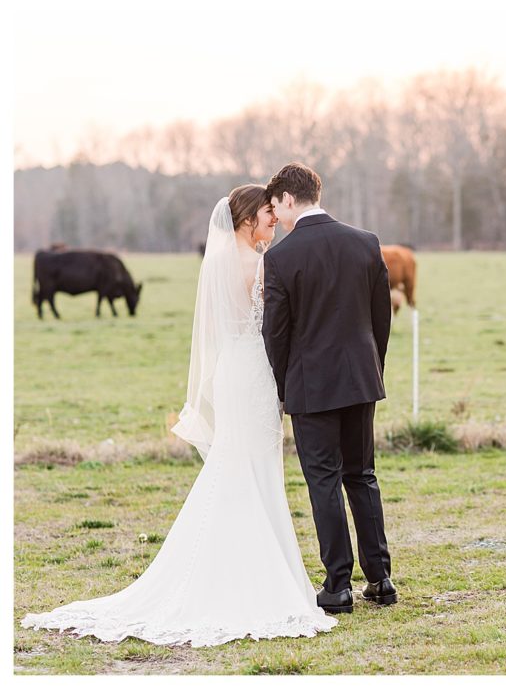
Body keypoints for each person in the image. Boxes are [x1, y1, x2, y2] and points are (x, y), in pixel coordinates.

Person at [21, 185, 338, 647]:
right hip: (254, 375)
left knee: (237, 465)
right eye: (269, 213)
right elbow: (277, 324)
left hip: (233, 370)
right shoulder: (261, 263)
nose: (274, 220)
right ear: (249, 218)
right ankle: (255, 576)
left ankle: (236, 564)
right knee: (253, 468)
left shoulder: (218, 262)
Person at [263, 162, 396, 613]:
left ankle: (338, 585)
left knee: (323, 482)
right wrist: (371, 366)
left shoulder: (281, 258)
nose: (275, 217)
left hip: (311, 387)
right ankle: (380, 579)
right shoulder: (366, 243)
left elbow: (275, 333)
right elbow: (382, 318)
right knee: (362, 476)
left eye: (276, 206)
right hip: (361, 380)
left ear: (287, 199)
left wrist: (283, 386)